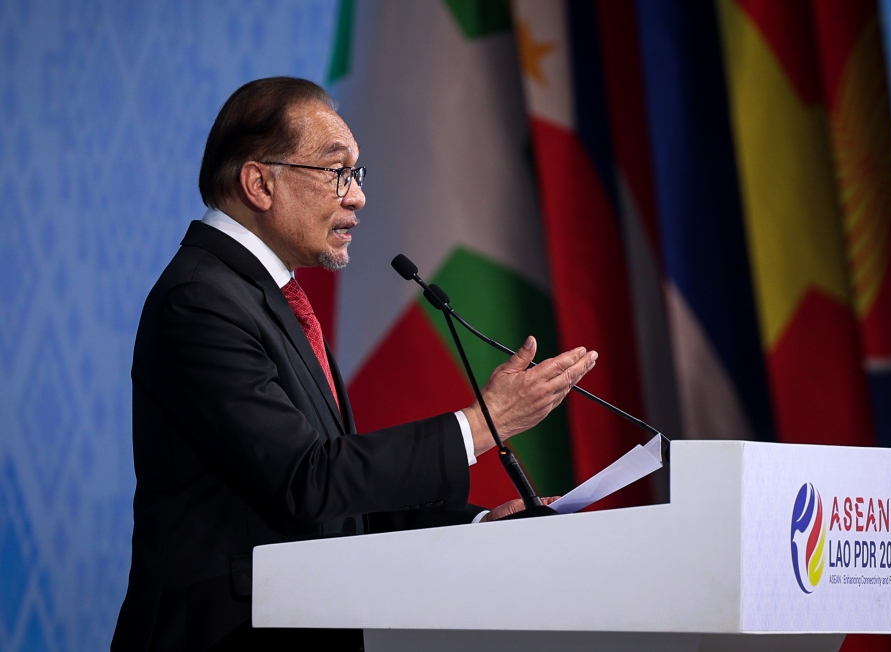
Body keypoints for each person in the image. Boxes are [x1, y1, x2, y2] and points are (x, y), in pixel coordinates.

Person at [110, 77, 597, 651]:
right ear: (259, 182)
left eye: (356, 175)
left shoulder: (267, 299)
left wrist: (475, 527)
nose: (357, 196)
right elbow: (306, 482)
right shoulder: (201, 300)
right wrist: (480, 423)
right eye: (336, 171)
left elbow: (341, 505)